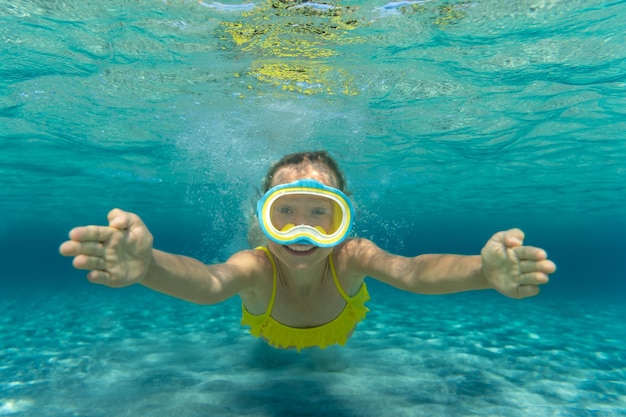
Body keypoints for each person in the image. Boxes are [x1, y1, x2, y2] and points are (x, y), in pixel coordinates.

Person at [59, 150, 556, 352]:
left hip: (343, 318)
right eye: (285, 213)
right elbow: (209, 283)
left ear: (345, 219)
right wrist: (149, 266)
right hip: (267, 327)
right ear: (264, 220)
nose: (304, 232)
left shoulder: (351, 256)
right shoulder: (256, 266)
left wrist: (480, 272)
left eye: (322, 214)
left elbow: (412, 273)